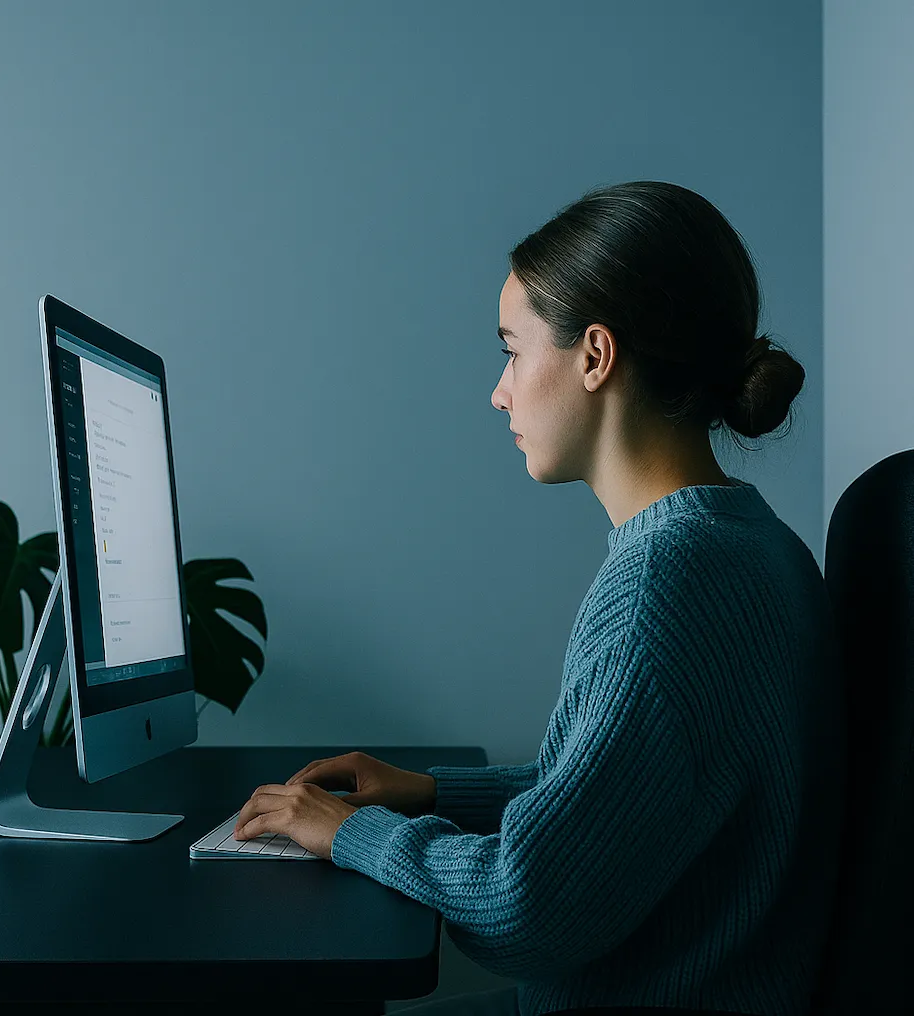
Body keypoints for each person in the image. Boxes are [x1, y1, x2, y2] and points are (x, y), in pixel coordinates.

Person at [242, 181, 848, 1016]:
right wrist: (432, 793)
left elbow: (527, 909)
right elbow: (632, 796)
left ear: (595, 357)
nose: (500, 392)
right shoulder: (752, 542)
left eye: (512, 352)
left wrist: (351, 834)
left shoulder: (667, 585)